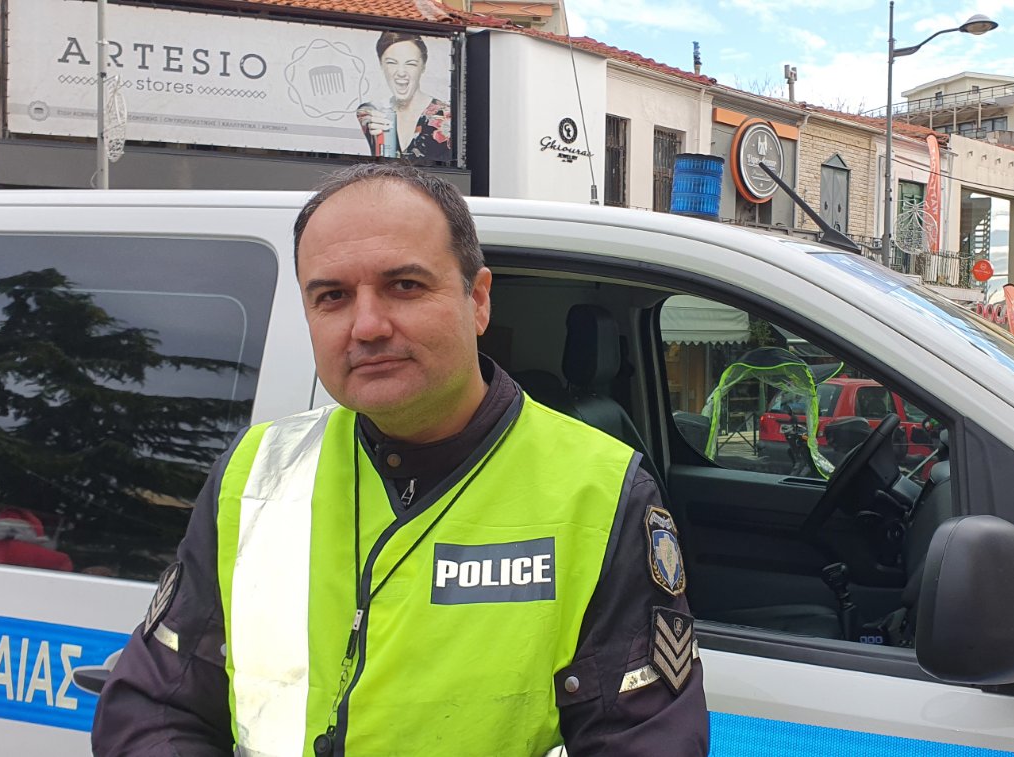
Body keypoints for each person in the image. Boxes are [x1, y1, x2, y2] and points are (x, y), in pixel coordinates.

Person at [92, 164, 708, 755]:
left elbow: (644, 741)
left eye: (404, 286)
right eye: (332, 296)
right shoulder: (256, 472)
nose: (366, 326)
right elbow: (154, 708)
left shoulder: (601, 489)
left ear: (478, 300)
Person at [356, 32, 453, 162]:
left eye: (411, 64)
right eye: (392, 63)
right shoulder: (370, 112)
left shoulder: (447, 115)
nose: (401, 72)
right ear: (381, 65)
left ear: (423, 66)